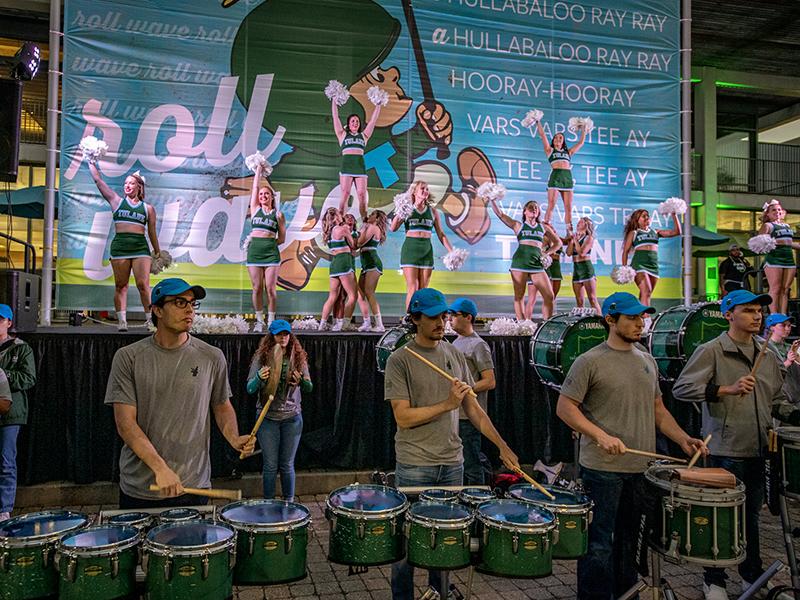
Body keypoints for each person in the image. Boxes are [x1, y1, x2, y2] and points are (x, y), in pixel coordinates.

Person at [556, 291, 707, 600]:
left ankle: (626, 595)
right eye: (632, 318)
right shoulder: (589, 361)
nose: (640, 323)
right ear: (611, 320)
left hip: (639, 470)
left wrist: (683, 439)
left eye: (642, 317)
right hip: (602, 470)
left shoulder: (647, 359)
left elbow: (658, 410)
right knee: (599, 543)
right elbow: (565, 408)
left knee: (629, 542)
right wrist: (599, 435)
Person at [384, 288, 519, 600]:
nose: (441, 322)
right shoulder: (400, 360)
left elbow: (473, 409)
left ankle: (438, 593)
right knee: (406, 544)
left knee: (443, 543)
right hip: (415, 464)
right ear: (415, 319)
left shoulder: (454, 354)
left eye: (443, 316)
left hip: (451, 464)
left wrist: (502, 446)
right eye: (433, 317)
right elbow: (402, 417)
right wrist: (446, 405)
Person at [672, 289, 800, 600]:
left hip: (758, 449)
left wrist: (793, 412)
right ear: (729, 315)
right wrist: (726, 389)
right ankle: (714, 580)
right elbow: (682, 388)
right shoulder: (712, 350)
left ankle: (751, 576)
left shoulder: (767, 354)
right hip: (724, 450)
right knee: (721, 518)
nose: (757, 316)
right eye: (748, 311)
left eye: (759, 311)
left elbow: (777, 400)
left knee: (751, 519)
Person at [105, 278, 254, 508]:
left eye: (192, 303)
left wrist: (233, 438)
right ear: (157, 310)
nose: (189, 310)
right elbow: (125, 424)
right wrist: (160, 468)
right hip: (142, 488)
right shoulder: (128, 357)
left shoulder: (212, 356)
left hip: (194, 484)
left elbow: (221, 405)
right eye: (179, 302)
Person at [88, 163, 160, 330]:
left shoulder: (148, 208)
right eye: (126, 183)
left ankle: (151, 321)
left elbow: (152, 233)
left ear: (139, 187)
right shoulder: (116, 201)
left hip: (140, 248)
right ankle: (122, 322)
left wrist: (158, 253)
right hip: (120, 247)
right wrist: (91, 161)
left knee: (143, 285)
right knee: (121, 285)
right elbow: (98, 181)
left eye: (131, 183)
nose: (127, 186)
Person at [247, 320, 312, 501]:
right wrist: (259, 378)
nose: (282, 338)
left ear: (290, 336)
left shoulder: (298, 358)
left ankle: (289, 504)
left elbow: (309, 388)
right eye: (279, 334)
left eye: (285, 334)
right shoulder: (261, 357)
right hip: (267, 418)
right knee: (270, 465)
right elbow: (250, 389)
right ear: (272, 336)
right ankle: (269, 503)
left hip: (292, 418)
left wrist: (302, 381)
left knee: (287, 464)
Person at [448, 298, 496, 485]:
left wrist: (467, 388)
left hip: (468, 417)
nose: (450, 319)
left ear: (468, 317)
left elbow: (490, 381)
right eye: (449, 315)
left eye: (454, 315)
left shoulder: (478, 345)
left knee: (472, 464)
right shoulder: (456, 343)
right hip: (454, 414)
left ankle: (478, 499)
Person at [489, 198, 561, 320]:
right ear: (524, 212)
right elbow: (501, 215)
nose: (534, 209)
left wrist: (547, 253)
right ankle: (522, 325)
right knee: (519, 297)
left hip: (537, 265)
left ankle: (547, 324)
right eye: (531, 207)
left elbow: (558, 243)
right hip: (519, 263)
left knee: (549, 295)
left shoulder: (543, 227)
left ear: (538, 213)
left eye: (536, 208)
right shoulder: (518, 225)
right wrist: (492, 200)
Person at [390, 181, 454, 310]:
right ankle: (409, 318)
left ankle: (421, 318)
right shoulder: (407, 209)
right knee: (413, 287)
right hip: (410, 250)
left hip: (426, 250)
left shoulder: (433, 212)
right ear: (414, 191)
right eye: (422, 189)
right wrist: (400, 210)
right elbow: (393, 228)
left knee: (423, 289)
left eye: (427, 189)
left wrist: (451, 251)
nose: (425, 191)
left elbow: (441, 234)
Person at [0, 304, 36, 522]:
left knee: (6, 461)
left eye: (0, 319)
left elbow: (29, 378)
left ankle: (4, 508)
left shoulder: (21, 348)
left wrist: (3, 376)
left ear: (9, 323)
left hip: (10, 413)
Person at [245, 162, 286, 332]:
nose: (262, 196)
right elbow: (254, 188)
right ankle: (259, 320)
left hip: (271, 255)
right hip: (254, 253)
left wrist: (269, 243)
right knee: (257, 288)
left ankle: (271, 319)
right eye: (261, 194)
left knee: (270, 288)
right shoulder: (255, 209)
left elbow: (282, 238)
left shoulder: (278, 214)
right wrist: (259, 170)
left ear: (271, 197)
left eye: (266, 194)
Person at [333, 98, 382, 220]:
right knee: (344, 195)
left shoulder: (364, 135)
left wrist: (378, 104)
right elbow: (335, 117)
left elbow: (373, 121)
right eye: (353, 121)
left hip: (360, 167)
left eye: (357, 121)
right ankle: (341, 221)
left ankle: (364, 220)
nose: (355, 123)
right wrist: (334, 100)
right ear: (349, 124)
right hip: (347, 167)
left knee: (362, 195)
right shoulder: (342, 134)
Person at [621, 208, 681, 306]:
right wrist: (625, 268)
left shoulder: (656, 232)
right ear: (637, 219)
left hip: (653, 266)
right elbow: (625, 251)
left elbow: (677, 232)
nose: (646, 217)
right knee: (646, 291)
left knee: (645, 294)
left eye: (647, 216)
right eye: (643, 216)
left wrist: (674, 215)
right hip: (639, 266)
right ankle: (646, 319)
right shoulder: (634, 233)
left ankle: (639, 316)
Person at [535, 122, 588, 230]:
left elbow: (581, 142)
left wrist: (584, 128)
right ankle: (546, 228)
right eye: (555, 137)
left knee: (568, 207)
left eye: (560, 137)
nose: (558, 139)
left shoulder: (568, 152)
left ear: (563, 141)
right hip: (556, 177)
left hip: (567, 178)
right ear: (553, 141)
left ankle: (569, 230)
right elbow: (543, 135)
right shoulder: (550, 150)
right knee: (551, 205)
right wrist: (538, 121)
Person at [319, 208, 358, 331]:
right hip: (344, 261)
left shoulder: (328, 232)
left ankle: (322, 324)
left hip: (334, 263)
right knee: (352, 296)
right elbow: (353, 245)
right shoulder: (343, 229)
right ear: (336, 217)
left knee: (332, 296)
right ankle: (343, 324)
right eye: (339, 214)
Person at [760, 199, 800, 314]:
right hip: (774, 259)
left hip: (788, 259)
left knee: (785, 290)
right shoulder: (768, 225)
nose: (777, 212)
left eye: (779, 209)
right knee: (775, 288)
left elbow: (790, 243)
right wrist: (779, 243)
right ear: (767, 213)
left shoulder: (786, 225)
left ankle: (782, 315)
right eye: (773, 210)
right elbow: (760, 241)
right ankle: (774, 315)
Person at [355, 209, 387, 332]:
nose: (370, 215)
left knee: (369, 292)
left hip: (373, 263)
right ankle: (367, 322)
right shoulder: (369, 227)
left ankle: (380, 324)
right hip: (366, 264)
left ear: (377, 219)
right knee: (360, 294)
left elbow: (359, 242)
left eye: (373, 214)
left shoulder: (373, 228)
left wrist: (362, 229)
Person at [525, 237, 566, 319]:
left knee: (547, 298)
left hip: (541, 270)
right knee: (535, 299)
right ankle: (527, 321)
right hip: (537, 269)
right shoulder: (542, 237)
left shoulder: (550, 238)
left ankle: (546, 320)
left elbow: (562, 242)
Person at [568, 216, 602, 314]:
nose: (578, 224)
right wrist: (572, 240)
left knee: (592, 299)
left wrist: (575, 241)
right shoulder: (575, 237)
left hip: (586, 269)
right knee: (579, 301)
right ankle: (582, 324)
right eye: (578, 222)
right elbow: (569, 253)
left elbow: (582, 253)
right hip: (577, 270)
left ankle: (601, 323)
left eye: (581, 222)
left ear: (587, 225)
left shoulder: (589, 237)